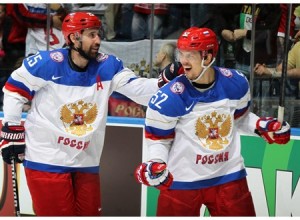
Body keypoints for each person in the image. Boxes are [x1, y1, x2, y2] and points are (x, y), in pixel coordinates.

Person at [0, 11, 158, 216]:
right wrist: (12, 128)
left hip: (86, 161)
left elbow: (139, 90)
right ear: (74, 38)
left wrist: (169, 84)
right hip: (46, 158)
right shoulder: (46, 63)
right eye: (91, 35)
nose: (98, 40)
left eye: (98, 34)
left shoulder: (108, 66)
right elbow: (13, 90)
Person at [134, 27, 291, 216]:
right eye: (181, 54)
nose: (183, 61)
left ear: (207, 57)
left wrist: (261, 126)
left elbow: (240, 119)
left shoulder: (235, 83)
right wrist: (156, 163)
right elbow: (159, 139)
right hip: (182, 181)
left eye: (190, 55)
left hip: (228, 176)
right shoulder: (169, 96)